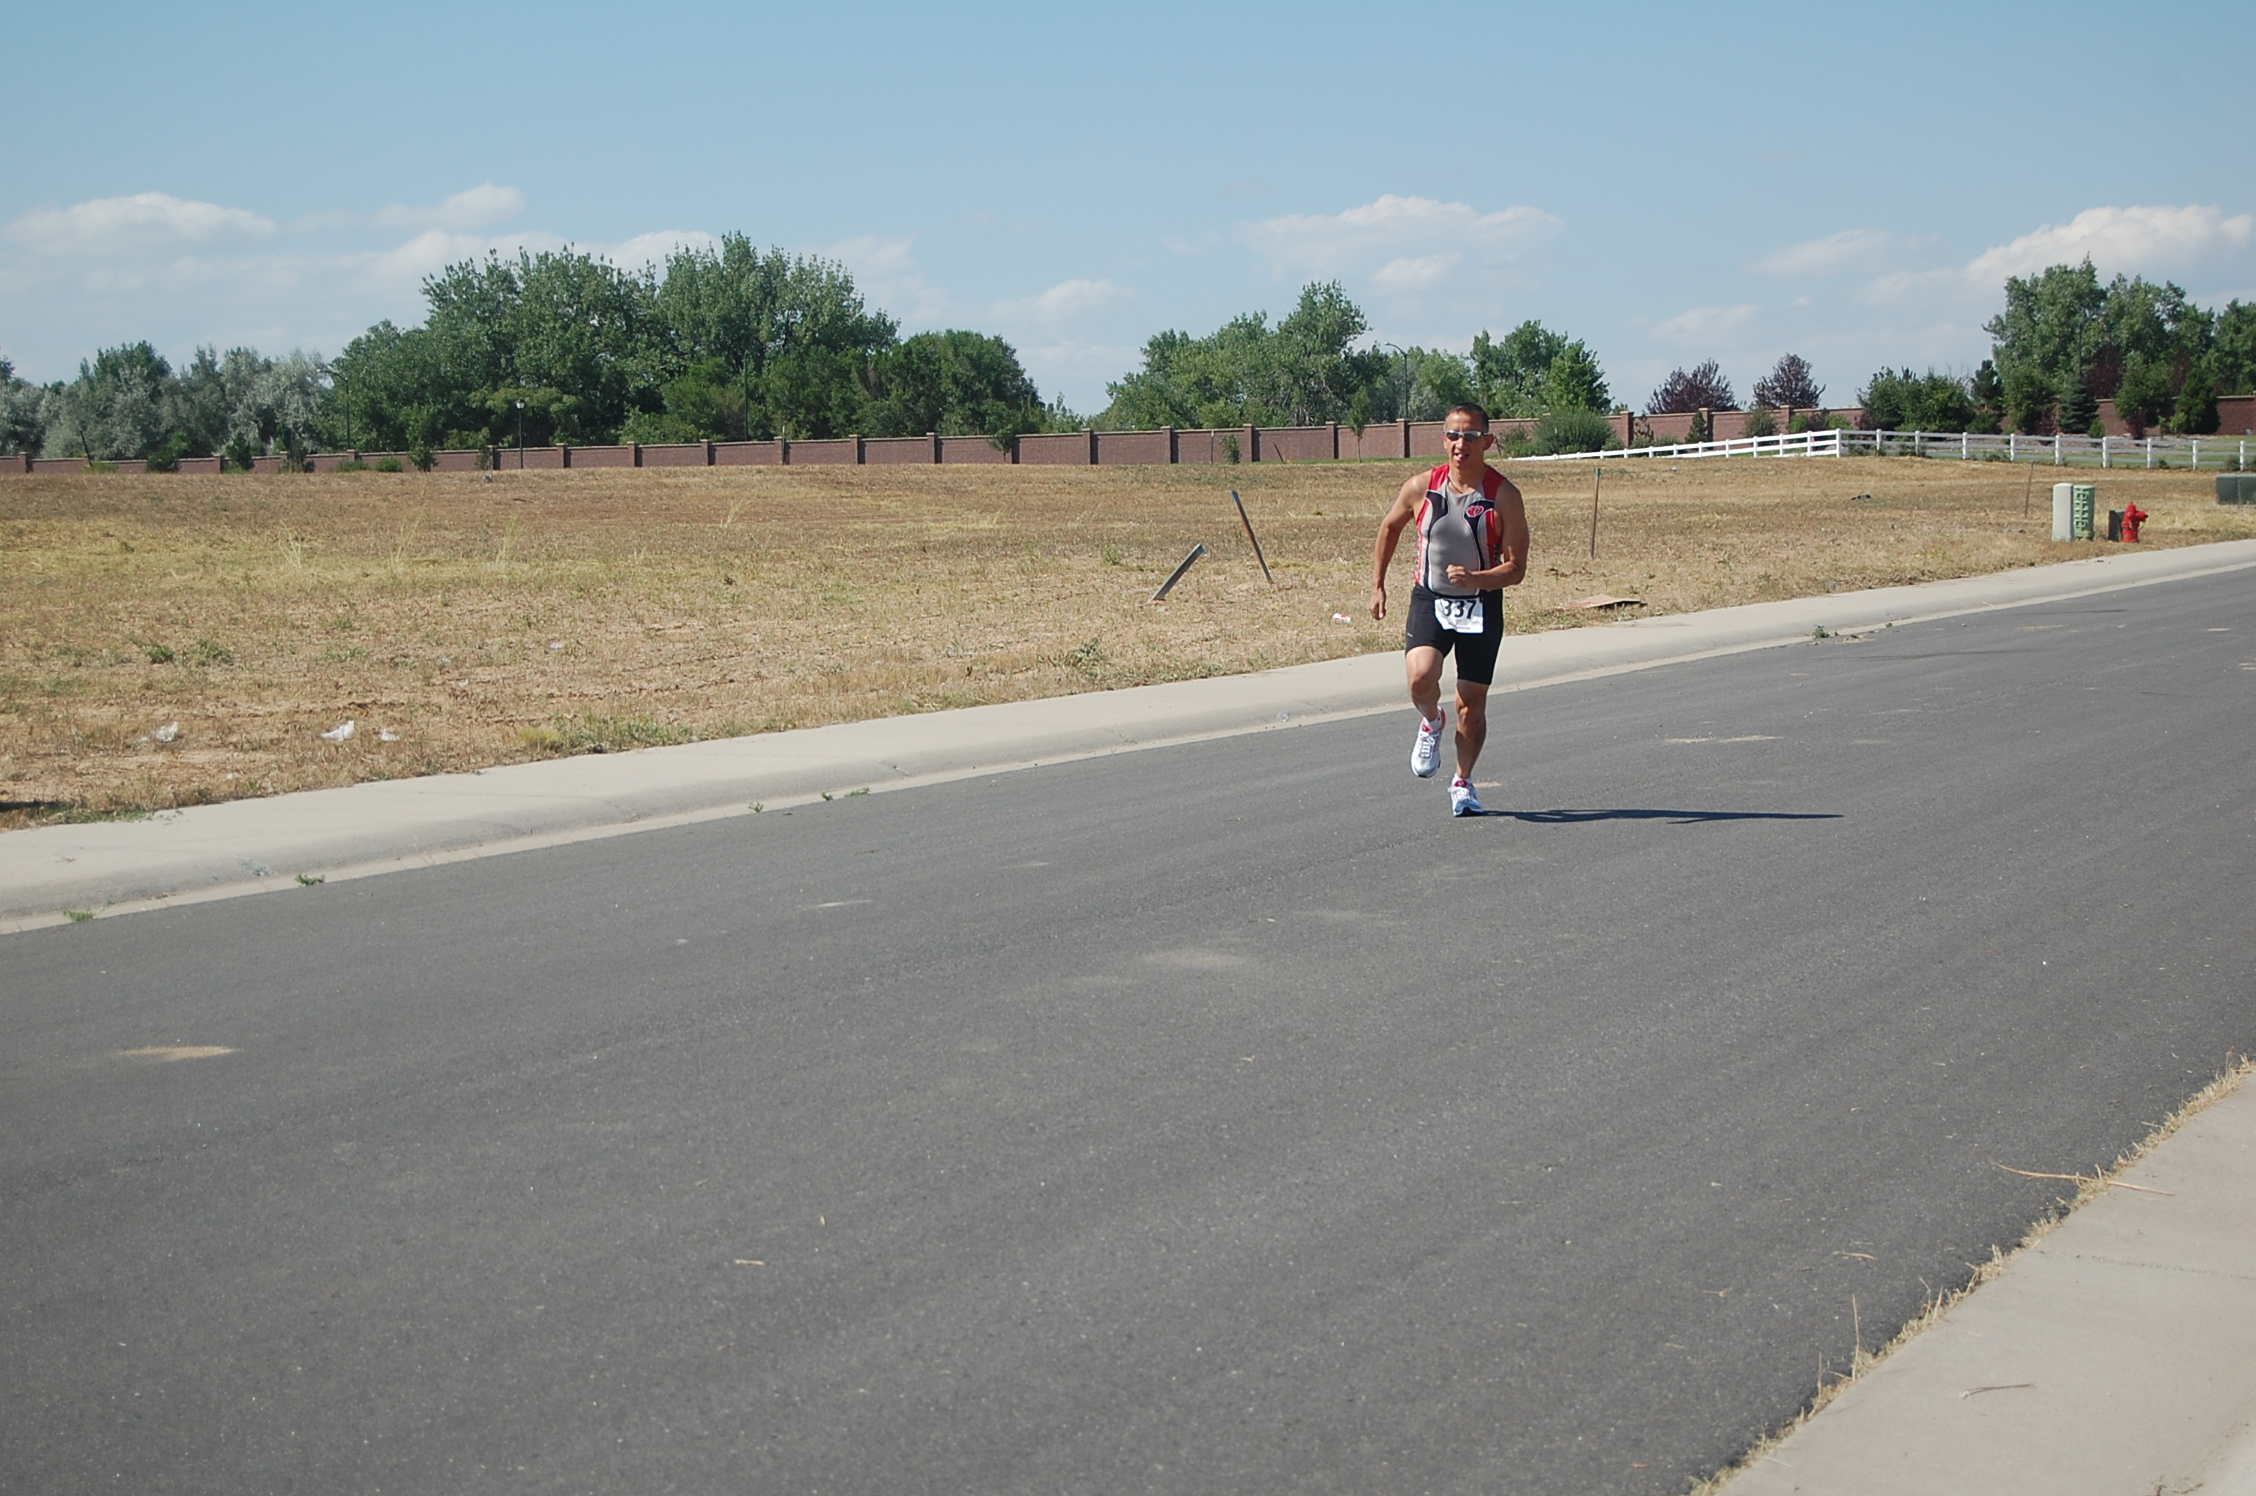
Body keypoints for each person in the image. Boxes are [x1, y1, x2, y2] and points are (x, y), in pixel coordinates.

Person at [1369, 402, 1530, 816]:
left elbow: (1516, 569)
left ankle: (1462, 781)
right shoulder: (1422, 487)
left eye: (1471, 436)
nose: (1461, 444)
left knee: (1470, 705)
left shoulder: (1504, 496)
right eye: (1454, 435)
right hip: (1431, 598)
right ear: (1444, 440)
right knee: (1420, 678)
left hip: (1481, 604)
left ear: (1487, 442)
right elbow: (1389, 527)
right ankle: (1431, 720)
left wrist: (1477, 578)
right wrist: (1378, 585)